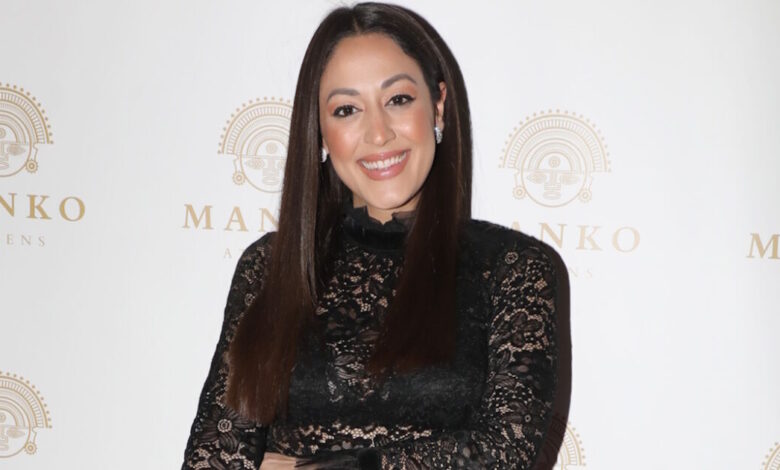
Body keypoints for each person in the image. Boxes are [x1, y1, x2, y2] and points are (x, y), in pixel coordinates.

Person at [181, 2, 565, 469]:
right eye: (346, 110)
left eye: (398, 100)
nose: (378, 133)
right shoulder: (269, 266)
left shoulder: (513, 267)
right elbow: (215, 455)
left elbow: (506, 451)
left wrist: (323, 467)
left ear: (438, 106)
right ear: (320, 132)